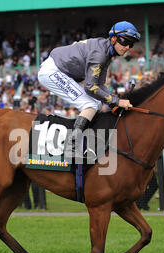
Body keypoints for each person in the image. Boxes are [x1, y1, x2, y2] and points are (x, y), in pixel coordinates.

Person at [38, 21, 140, 158]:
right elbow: (90, 87)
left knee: (97, 104)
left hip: (58, 69)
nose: (127, 47)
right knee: (90, 104)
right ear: (113, 38)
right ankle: (71, 147)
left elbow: (100, 85)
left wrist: (115, 102)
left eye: (131, 44)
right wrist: (116, 101)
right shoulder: (100, 54)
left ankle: (83, 143)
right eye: (125, 41)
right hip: (52, 71)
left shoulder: (106, 52)